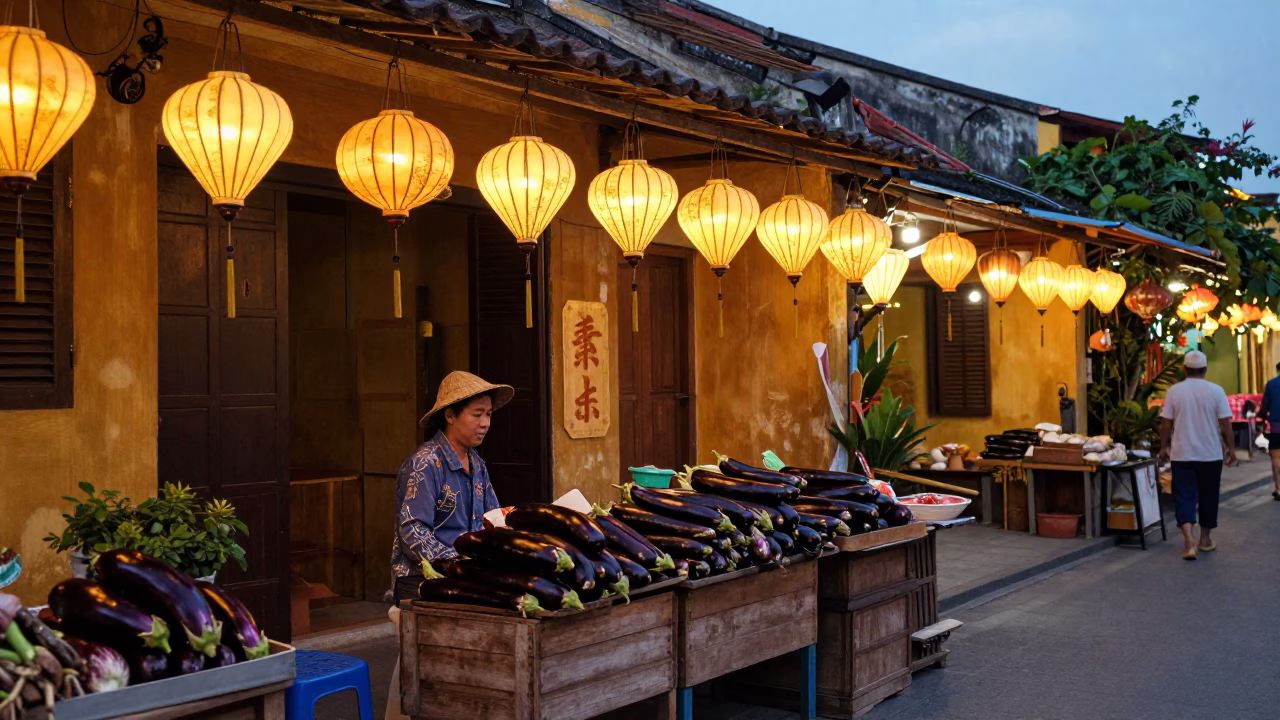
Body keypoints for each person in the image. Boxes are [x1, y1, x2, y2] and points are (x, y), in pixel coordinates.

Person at [390, 370, 514, 602]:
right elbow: (412, 530)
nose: (485, 423)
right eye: (477, 414)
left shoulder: (477, 464)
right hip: (423, 581)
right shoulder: (424, 464)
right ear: (450, 415)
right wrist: (457, 562)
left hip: (469, 577)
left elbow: (494, 518)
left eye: (488, 414)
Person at [1157, 350, 1237, 560]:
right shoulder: (1216, 391)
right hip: (1210, 454)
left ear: (1184, 369)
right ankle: (1204, 539)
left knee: (1183, 495)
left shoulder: (1175, 391)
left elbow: (1166, 423)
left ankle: (1188, 542)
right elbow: (1225, 424)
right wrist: (1232, 450)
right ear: (1205, 370)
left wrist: (1162, 448)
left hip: (1182, 454)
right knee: (1209, 495)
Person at [1256, 362, 1280, 502]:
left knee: (1276, 458)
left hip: (1277, 426)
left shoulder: (1271, 384)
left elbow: (1264, 407)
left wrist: (1262, 417)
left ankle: (1278, 489)